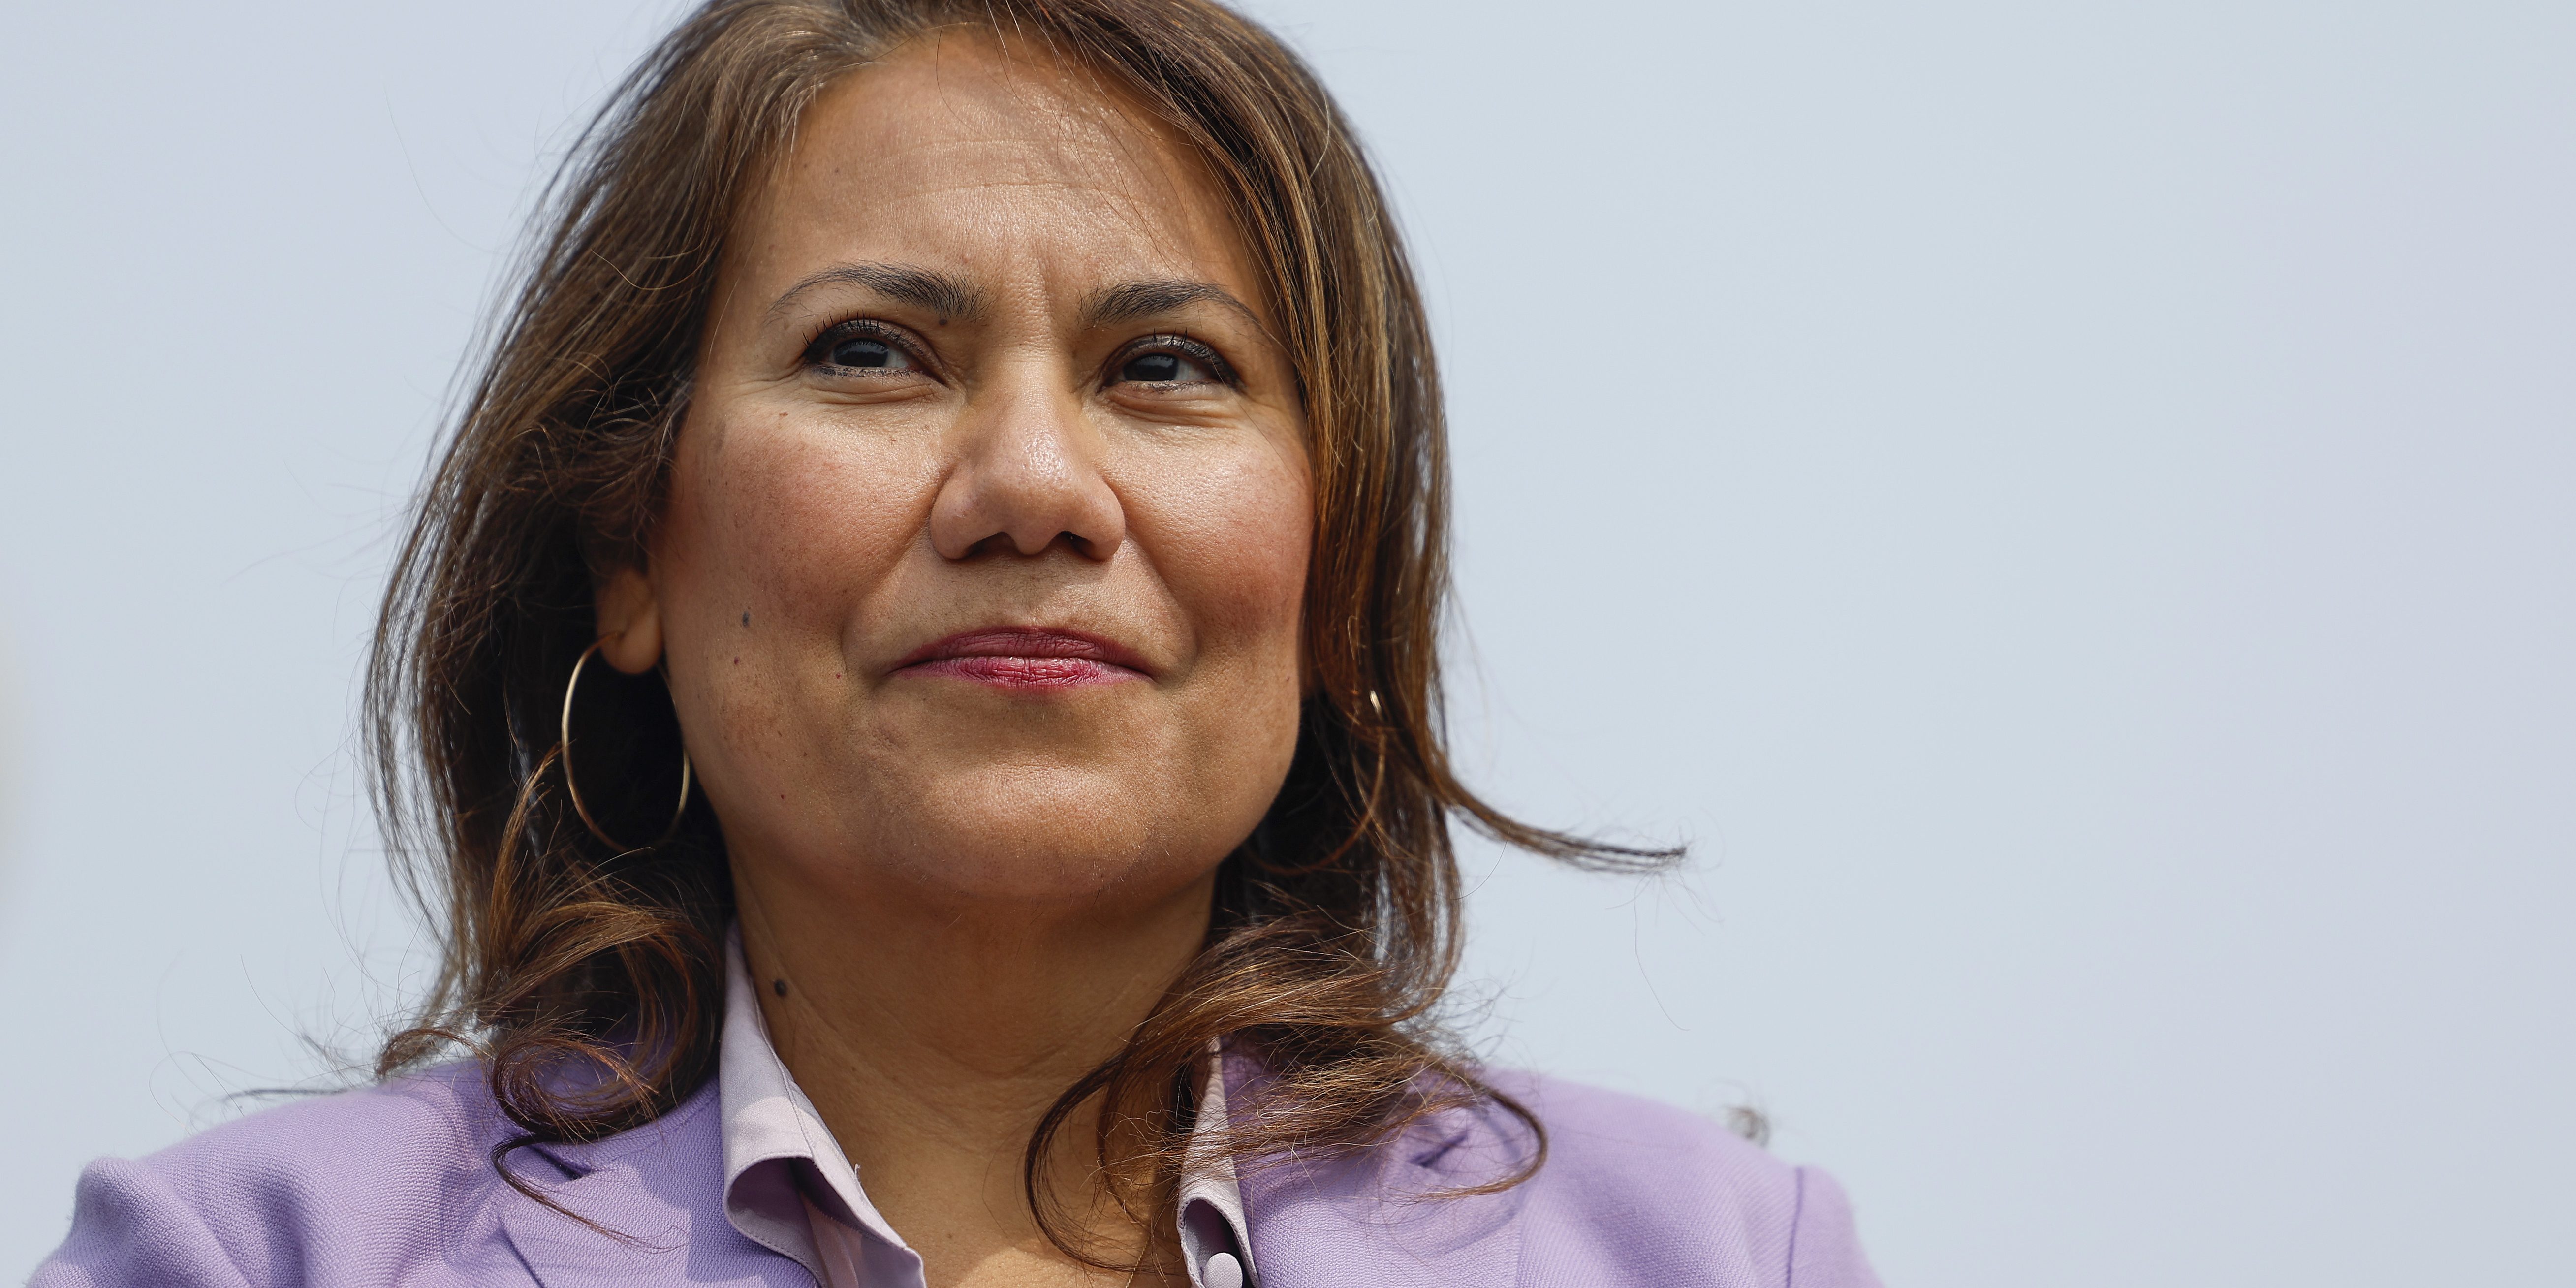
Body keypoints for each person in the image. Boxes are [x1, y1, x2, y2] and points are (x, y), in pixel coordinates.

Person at [34, 2, 1881, 1285]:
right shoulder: (249, 1262)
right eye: (871, 353)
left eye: (1167, 368)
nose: (1031, 485)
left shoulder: (1726, 1258)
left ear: (1335, 586)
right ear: (629, 548)